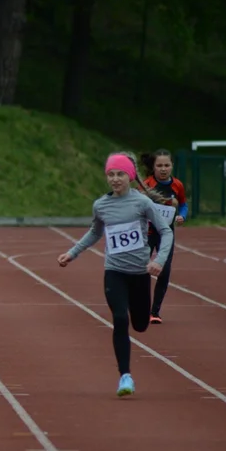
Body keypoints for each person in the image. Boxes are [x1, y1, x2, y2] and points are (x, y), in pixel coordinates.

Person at [57, 152, 173, 398]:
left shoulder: (142, 203)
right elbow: (94, 233)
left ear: (130, 176)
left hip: (140, 273)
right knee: (120, 319)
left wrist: (159, 260)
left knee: (140, 325)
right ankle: (125, 376)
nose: (115, 179)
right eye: (111, 175)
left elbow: (166, 231)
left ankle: (137, 322)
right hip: (114, 272)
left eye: (120, 174)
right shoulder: (101, 205)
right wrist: (72, 253)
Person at [140, 149, 187, 324]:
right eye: (159, 165)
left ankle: (155, 311)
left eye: (166, 165)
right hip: (147, 232)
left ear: (172, 166)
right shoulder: (146, 184)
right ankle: (140, 306)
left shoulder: (177, 185)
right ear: (153, 167)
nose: (163, 169)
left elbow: (183, 205)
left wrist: (182, 215)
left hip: (166, 233)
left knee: (164, 270)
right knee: (141, 269)